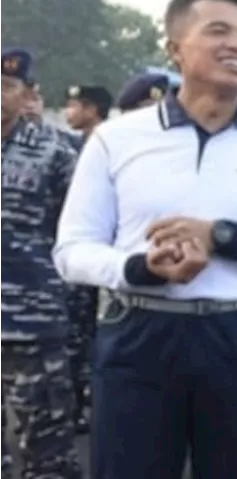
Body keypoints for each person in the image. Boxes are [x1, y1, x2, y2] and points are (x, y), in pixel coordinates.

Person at [54, 0, 237, 479]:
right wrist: (139, 268)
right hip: (139, 331)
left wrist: (224, 236)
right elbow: (72, 250)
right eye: (218, 31)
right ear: (175, 49)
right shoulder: (117, 139)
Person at [0, 48, 83, 479]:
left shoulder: (56, 151)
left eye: (7, 87)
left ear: (28, 93)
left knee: (47, 445)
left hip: (31, 318)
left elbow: (79, 226)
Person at [60, 83, 115, 433]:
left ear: (92, 109)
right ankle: (80, 401)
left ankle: (97, 401)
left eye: (74, 105)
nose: (68, 111)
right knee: (77, 336)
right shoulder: (74, 147)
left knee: (101, 335)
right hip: (79, 262)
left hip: (108, 263)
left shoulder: (108, 145)